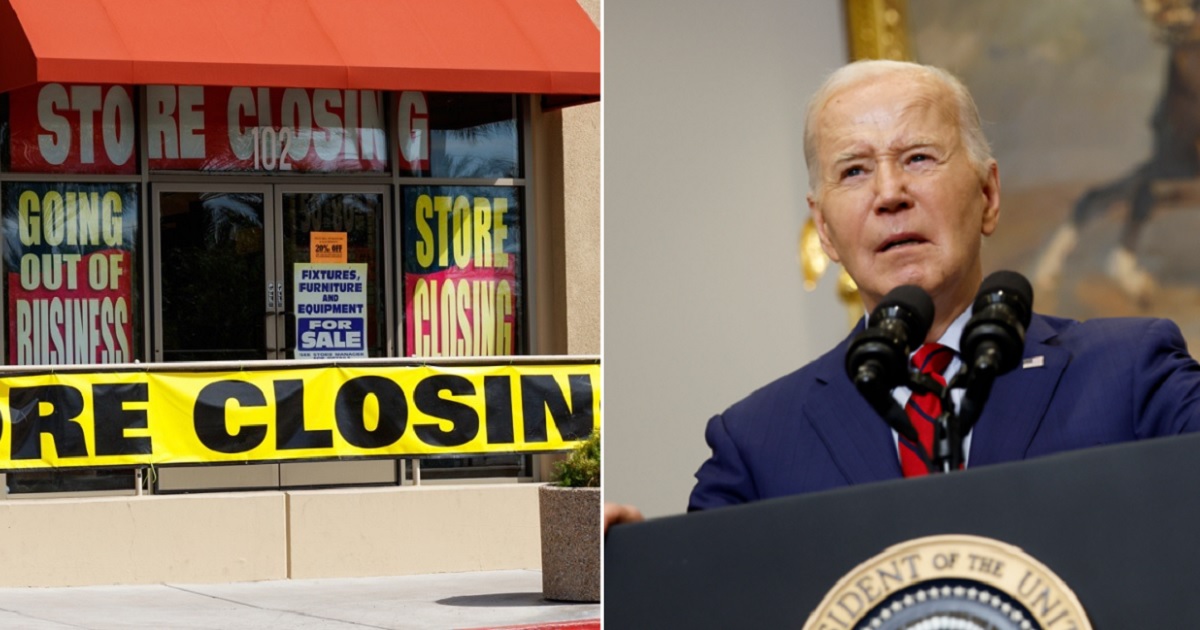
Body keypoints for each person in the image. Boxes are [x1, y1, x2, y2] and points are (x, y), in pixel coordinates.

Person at [604, 59, 1200, 528]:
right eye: (854, 171)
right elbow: (705, 597)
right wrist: (634, 571)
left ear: (988, 196)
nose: (889, 193)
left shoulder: (1131, 373)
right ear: (826, 231)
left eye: (918, 157)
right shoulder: (757, 443)